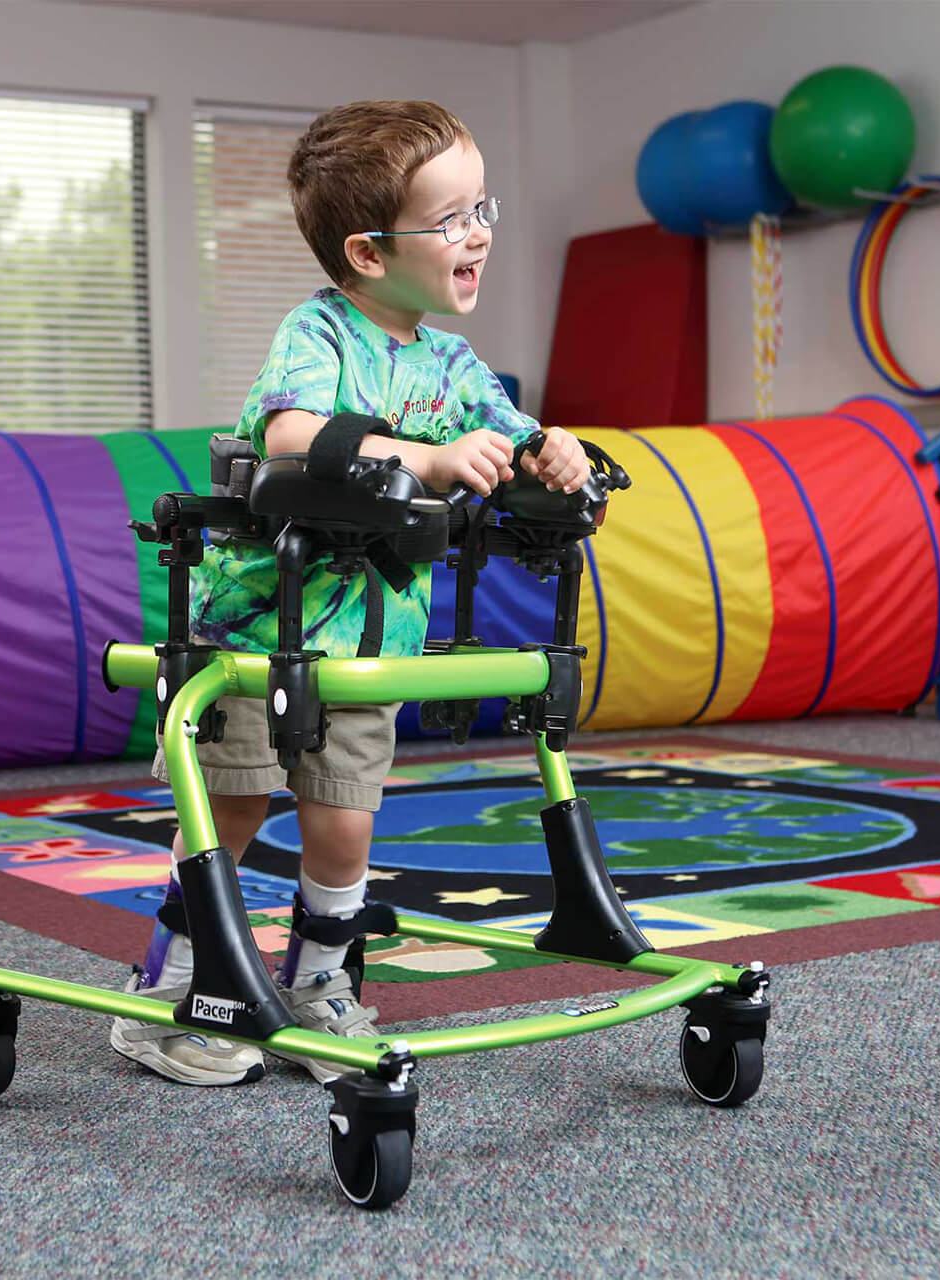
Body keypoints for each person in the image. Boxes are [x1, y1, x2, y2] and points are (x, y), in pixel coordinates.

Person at [110, 99, 590, 1087]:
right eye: (452, 217)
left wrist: (557, 451)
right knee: (233, 806)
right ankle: (184, 984)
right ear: (370, 253)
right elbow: (289, 434)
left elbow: (512, 431)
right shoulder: (317, 332)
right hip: (260, 631)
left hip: (367, 651)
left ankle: (321, 981)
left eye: (481, 207)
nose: (480, 232)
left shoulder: (455, 364)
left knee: (343, 818)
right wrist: (428, 455)